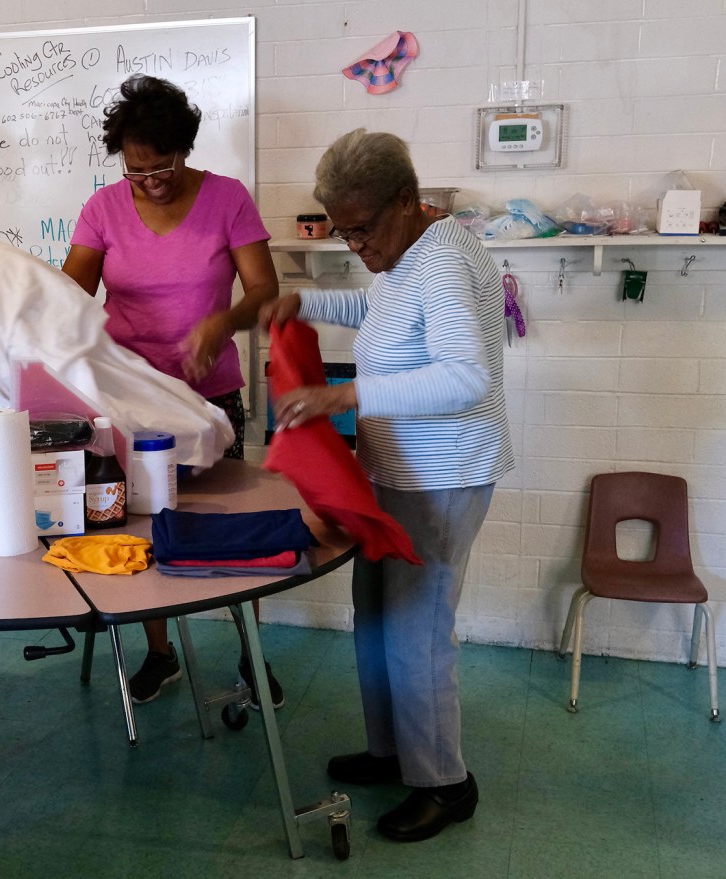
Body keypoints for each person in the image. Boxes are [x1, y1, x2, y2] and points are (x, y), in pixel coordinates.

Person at [264, 129, 513, 842]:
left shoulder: (440, 263)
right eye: (343, 231)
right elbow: (380, 312)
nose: (355, 245)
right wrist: (305, 302)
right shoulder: (407, 251)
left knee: (417, 633)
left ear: (407, 200)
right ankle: (391, 750)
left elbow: (466, 377)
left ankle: (444, 782)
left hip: (442, 474)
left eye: (362, 229)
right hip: (398, 471)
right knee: (375, 616)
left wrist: (344, 397)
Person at [61, 75, 281, 707]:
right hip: (131, 399)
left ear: (185, 149)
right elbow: (72, 291)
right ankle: (160, 654)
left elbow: (263, 289)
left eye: (163, 165)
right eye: (136, 170)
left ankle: (251, 657)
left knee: (239, 528)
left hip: (211, 396)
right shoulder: (102, 209)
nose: (151, 179)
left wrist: (223, 322)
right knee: (142, 527)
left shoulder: (228, 198)